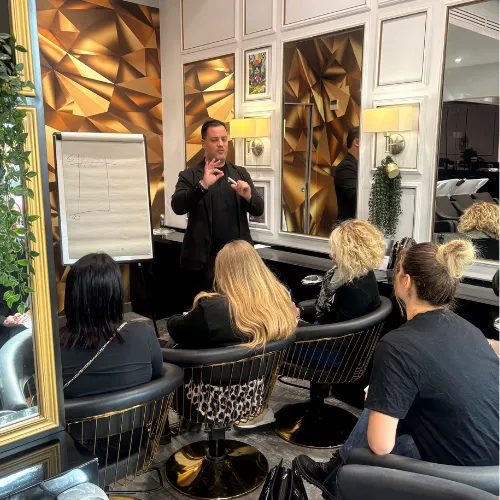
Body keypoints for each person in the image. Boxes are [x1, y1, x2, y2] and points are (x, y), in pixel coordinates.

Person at [294, 239, 499, 499]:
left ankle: (336, 479)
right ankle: (333, 471)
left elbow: (381, 446)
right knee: (384, 400)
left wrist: (381, 399)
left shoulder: (398, 345)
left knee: (376, 424)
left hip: (456, 480)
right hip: (492, 472)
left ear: (406, 281)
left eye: (398, 271)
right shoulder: (470, 330)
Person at [167, 240, 297, 428]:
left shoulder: (211, 309)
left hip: (205, 400)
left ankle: (164, 432)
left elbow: (176, 329)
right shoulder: (278, 301)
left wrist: (183, 317)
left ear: (222, 272)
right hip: (253, 394)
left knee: (165, 351)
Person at [171, 119, 264, 301]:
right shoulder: (190, 175)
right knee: (208, 310)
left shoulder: (240, 173)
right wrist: (202, 185)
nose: (220, 144)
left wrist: (248, 196)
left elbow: (258, 209)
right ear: (203, 143)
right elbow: (177, 206)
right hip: (204, 262)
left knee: (241, 309)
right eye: (214, 140)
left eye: (224, 139)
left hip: (238, 260)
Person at [60, 253, 162, 399]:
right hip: (138, 414)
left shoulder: (50, 349)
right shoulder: (144, 334)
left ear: (72, 296)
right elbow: (158, 376)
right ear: (117, 293)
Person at [300, 220, 385, 325]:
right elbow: (328, 307)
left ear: (352, 253)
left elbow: (339, 330)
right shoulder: (356, 272)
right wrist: (300, 311)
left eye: (337, 251)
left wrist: (297, 323)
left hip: (327, 333)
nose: (331, 255)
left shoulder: (356, 290)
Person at [334, 127, 359, 221]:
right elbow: (358, 198)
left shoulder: (358, 165)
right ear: (357, 142)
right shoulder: (345, 168)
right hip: (350, 227)